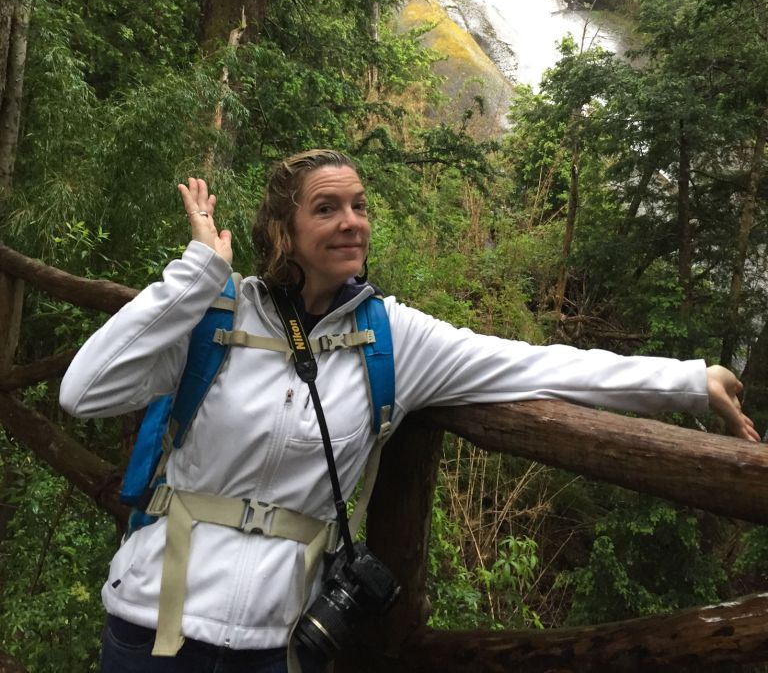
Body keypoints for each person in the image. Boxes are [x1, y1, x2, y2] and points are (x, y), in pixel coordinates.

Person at [59, 149, 759, 673]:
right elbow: (82, 392)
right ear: (282, 226)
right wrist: (193, 274)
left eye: (359, 205)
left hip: (277, 644)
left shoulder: (393, 338)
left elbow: (536, 362)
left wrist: (689, 381)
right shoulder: (215, 312)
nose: (351, 222)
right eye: (326, 207)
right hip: (155, 623)